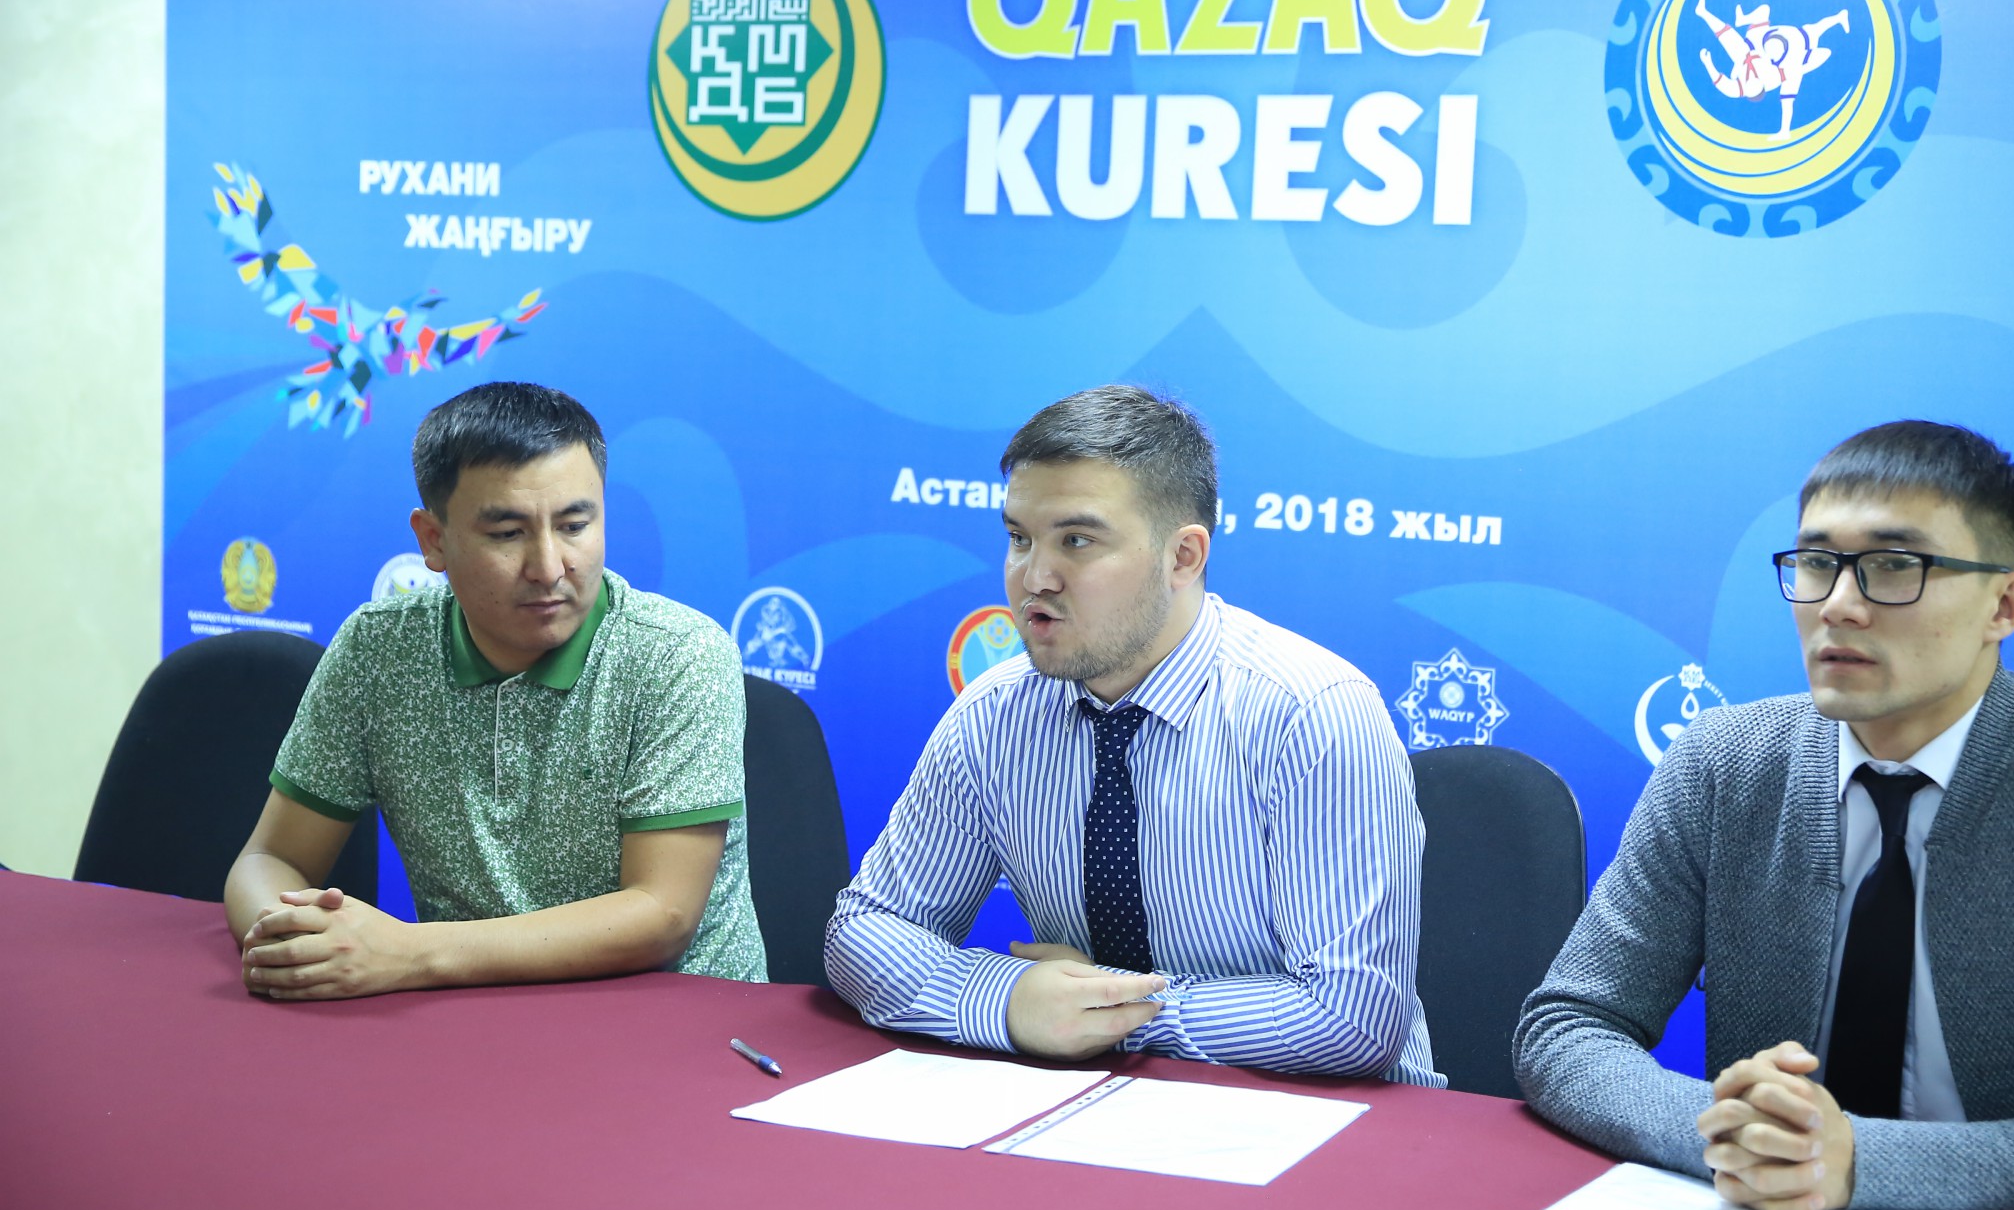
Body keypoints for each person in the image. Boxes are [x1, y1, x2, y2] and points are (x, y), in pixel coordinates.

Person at [1515, 421, 2014, 1210]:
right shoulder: (1724, 762)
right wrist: (1735, 1137)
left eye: (1895, 566)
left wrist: (1861, 1163)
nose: (1839, 606)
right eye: (1816, 564)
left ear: (2004, 604)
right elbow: (1568, 1026)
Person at [825, 385, 1438, 1084]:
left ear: (1183, 557)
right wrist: (1009, 1000)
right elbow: (867, 930)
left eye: (1077, 541)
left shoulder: (1313, 714)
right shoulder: (994, 715)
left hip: (1329, 1115)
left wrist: (1107, 1011)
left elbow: (1353, 1018)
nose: (1034, 578)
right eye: (1019, 538)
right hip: (1086, 1105)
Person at [227, 381, 766, 997]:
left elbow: (660, 914)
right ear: (433, 540)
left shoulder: (677, 655)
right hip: (463, 1016)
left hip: (673, 1020)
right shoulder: (378, 650)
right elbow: (270, 860)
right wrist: (293, 939)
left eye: (575, 525)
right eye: (508, 534)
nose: (549, 567)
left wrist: (406, 953)